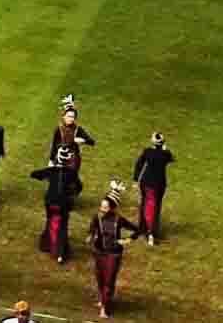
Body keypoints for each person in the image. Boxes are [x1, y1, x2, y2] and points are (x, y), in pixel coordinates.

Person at [88, 182, 139, 318]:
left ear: (112, 208)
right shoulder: (97, 216)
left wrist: (128, 240)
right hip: (99, 252)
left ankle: (105, 307)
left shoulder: (118, 219)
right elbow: (92, 227)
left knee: (109, 281)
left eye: (105, 207)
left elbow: (138, 229)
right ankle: (102, 299)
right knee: (100, 278)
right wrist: (91, 236)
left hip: (113, 254)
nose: (102, 209)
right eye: (101, 206)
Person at [31, 145, 83, 263]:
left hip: (50, 202)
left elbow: (34, 174)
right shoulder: (72, 173)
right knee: (63, 225)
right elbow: (79, 187)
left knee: (50, 221)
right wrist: (71, 193)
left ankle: (47, 244)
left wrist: (47, 174)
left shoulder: (51, 171)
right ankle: (60, 253)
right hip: (63, 204)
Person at [133, 132, 173, 244]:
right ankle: (151, 229)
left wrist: (136, 179)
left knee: (147, 204)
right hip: (160, 184)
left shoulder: (148, 152)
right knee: (156, 206)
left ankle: (147, 230)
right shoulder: (166, 154)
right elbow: (171, 158)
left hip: (147, 183)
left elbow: (138, 164)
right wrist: (164, 149)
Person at [51, 95, 95, 180]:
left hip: (73, 161)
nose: (71, 119)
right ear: (63, 116)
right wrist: (51, 160)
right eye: (69, 116)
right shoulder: (59, 128)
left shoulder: (78, 130)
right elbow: (54, 145)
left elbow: (92, 142)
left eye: (73, 117)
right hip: (60, 159)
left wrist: (82, 140)